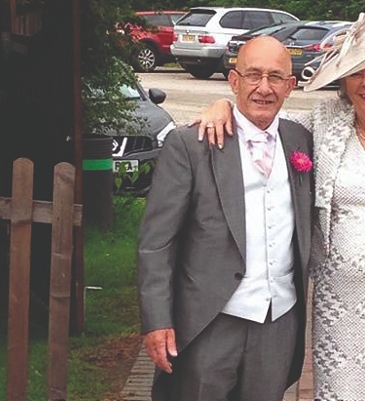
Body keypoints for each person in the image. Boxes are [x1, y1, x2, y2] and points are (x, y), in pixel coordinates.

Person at [195, 4, 365, 400]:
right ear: (343, 83)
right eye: (356, 73)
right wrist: (223, 104)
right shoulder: (323, 123)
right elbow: (264, 119)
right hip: (340, 306)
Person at [137, 36, 314, 401]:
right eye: (253, 75)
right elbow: (157, 242)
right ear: (233, 82)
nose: (264, 88)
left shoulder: (303, 140)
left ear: (290, 86)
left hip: (278, 320)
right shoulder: (191, 144)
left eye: (276, 77)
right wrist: (157, 320)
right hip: (209, 320)